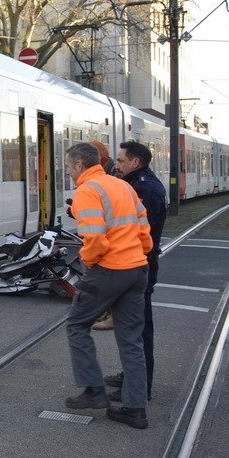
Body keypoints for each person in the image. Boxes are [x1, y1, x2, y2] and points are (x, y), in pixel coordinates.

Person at [62, 141, 152, 429]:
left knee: (77, 325)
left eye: (67, 166)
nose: (67, 172)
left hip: (109, 270)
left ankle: (93, 389)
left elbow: (95, 239)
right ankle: (135, 408)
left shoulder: (86, 191)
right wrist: (137, 252)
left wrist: (88, 263)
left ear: (79, 166)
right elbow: (144, 230)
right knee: (130, 339)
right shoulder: (121, 185)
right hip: (137, 268)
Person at [105, 140, 167, 402]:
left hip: (137, 267)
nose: (116, 165)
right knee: (131, 328)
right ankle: (132, 377)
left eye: (120, 161)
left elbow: (142, 236)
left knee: (138, 330)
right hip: (135, 266)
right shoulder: (137, 184)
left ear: (135, 162)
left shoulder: (145, 189)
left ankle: (140, 387)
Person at [89, 140, 120, 331]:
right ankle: (106, 313)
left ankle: (109, 315)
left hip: (111, 240)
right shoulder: (109, 173)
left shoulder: (111, 175)